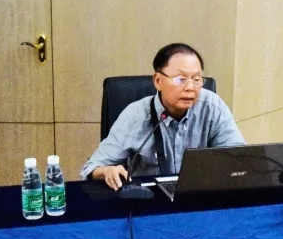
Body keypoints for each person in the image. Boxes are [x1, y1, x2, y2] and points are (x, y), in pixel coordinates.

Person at [80, 43, 245, 190]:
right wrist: (107, 171)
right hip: (149, 200)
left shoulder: (212, 107)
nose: (190, 87)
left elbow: (239, 158)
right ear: (158, 81)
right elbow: (92, 167)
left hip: (198, 194)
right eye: (181, 79)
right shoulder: (135, 116)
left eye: (196, 79)